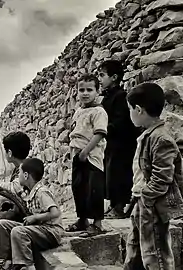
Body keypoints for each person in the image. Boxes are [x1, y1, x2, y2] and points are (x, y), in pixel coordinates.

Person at [123, 82, 183, 270]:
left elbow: (162, 178)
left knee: (156, 255)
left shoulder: (161, 138)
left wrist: (145, 198)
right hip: (141, 202)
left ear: (138, 110)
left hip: (152, 206)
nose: (130, 114)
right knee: (134, 250)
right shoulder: (148, 135)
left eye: (130, 109)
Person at [0, 158, 64, 270]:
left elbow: (55, 213)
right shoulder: (30, 192)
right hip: (39, 229)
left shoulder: (41, 192)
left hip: (51, 232)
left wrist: (35, 217)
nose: (18, 177)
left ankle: (27, 266)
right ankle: (6, 262)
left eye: (19, 173)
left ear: (26, 175)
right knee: (2, 224)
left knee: (18, 231)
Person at [65, 74, 108, 237]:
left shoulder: (98, 112)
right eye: (81, 89)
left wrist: (85, 152)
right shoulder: (79, 111)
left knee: (94, 189)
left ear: (97, 91)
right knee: (78, 187)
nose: (85, 93)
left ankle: (97, 223)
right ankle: (82, 219)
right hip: (78, 155)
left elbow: (99, 134)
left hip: (91, 156)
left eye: (89, 89)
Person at [98, 60, 139, 218]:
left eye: (102, 75)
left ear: (114, 77)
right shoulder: (107, 97)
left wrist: (104, 129)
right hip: (111, 143)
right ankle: (114, 205)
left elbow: (121, 120)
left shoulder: (121, 96)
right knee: (109, 175)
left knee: (118, 175)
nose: (100, 79)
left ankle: (119, 207)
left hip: (122, 143)